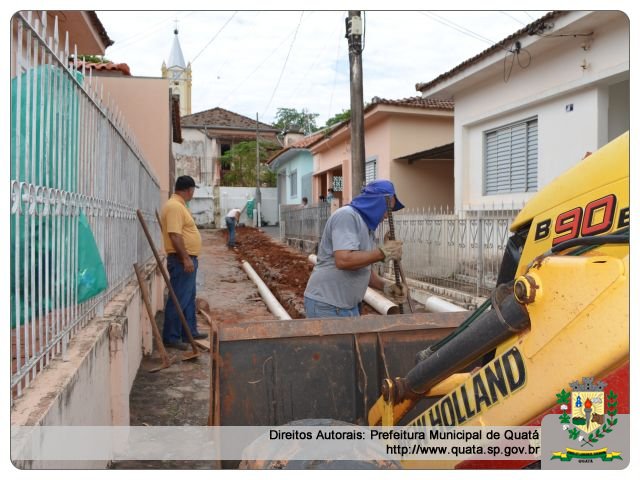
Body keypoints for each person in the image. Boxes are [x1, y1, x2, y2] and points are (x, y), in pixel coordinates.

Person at [304, 179, 407, 318]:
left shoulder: (367, 228)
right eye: (387, 209)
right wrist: (382, 252)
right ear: (376, 203)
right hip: (328, 306)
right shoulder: (347, 216)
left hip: (347, 307)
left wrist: (386, 287)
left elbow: (362, 269)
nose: (387, 216)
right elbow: (344, 260)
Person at [160, 175, 207, 350]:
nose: (193, 193)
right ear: (189, 190)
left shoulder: (180, 206)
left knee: (188, 298)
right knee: (178, 299)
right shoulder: (174, 207)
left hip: (188, 260)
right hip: (182, 261)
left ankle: (189, 332)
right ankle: (171, 337)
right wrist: (186, 258)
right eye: (193, 190)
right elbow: (175, 234)